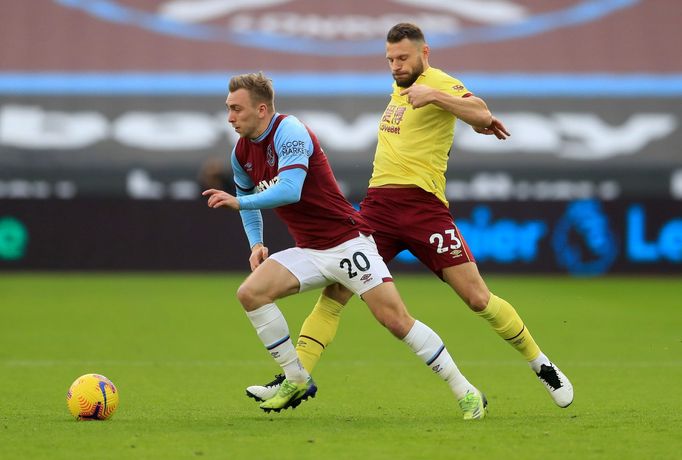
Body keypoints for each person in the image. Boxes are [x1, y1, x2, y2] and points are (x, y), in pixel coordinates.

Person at [247, 23, 574, 409]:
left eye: (403, 58)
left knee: (476, 297)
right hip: (379, 210)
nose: (396, 66)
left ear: (425, 53)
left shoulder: (438, 83)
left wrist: (436, 95)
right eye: (390, 59)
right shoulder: (398, 92)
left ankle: (541, 364)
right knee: (336, 292)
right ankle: (294, 379)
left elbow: (481, 113)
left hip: (424, 210)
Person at [204, 71, 488, 419]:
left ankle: (467, 392)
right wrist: (256, 243)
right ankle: (295, 378)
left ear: (262, 109)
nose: (230, 117)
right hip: (309, 249)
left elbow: (289, 189)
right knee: (250, 294)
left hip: (347, 243)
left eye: (237, 109)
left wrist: (238, 202)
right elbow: (248, 196)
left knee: (396, 321)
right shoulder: (241, 153)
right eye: (228, 109)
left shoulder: (290, 131)